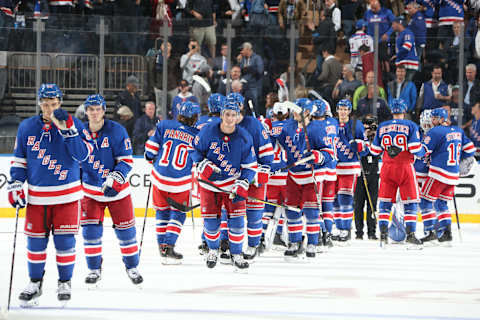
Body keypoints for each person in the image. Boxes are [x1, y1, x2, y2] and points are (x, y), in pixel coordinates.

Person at [8, 84, 91, 306]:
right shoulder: (26, 127)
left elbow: (82, 156)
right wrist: (15, 183)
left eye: (53, 104)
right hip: (37, 198)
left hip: (67, 197)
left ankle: (65, 282)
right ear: (39, 104)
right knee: (35, 243)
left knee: (65, 243)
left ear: (60, 103)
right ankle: (35, 283)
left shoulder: (76, 124)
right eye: (45, 104)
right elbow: (20, 160)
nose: (49, 109)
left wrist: (67, 129)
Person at [79, 94, 143, 287]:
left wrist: (114, 179)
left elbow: (126, 160)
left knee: (126, 232)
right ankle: (93, 269)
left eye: (98, 109)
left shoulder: (117, 130)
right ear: (86, 111)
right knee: (90, 232)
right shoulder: (79, 132)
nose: (94, 113)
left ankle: (132, 267)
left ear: (104, 110)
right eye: (91, 109)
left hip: (118, 192)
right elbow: (74, 160)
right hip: (90, 192)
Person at [191, 99, 257, 271]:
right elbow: (194, 150)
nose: (229, 118)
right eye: (227, 114)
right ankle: (213, 249)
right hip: (210, 185)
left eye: (233, 115)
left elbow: (250, 168)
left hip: (233, 186)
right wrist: (201, 164)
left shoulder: (244, 137)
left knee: (236, 223)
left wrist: (243, 182)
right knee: (211, 224)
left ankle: (236, 254)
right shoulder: (207, 132)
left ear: (237, 117)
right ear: (221, 115)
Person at [270, 98, 335, 259]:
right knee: (291, 210)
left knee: (312, 212)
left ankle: (313, 242)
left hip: (311, 177)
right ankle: (294, 242)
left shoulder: (317, 129)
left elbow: (329, 153)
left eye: (296, 110)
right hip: (293, 175)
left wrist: (317, 155)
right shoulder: (288, 127)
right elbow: (274, 141)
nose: (293, 113)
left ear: (306, 112)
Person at [145, 101, 200, 264]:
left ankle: (161, 247)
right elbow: (198, 161)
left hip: (159, 178)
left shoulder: (164, 125)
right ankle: (168, 245)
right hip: (180, 182)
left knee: (161, 211)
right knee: (178, 213)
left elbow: (149, 152)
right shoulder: (197, 135)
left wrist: (151, 160)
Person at [369, 98, 425, 248]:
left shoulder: (382, 126)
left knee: (385, 203)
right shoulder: (411, 125)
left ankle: (383, 234)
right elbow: (414, 148)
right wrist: (424, 149)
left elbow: (374, 151)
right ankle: (411, 235)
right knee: (410, 203)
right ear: (404, 110)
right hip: (405, 167)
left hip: (387, 167)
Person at [419, 108, 475, 245]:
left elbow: (422, 152)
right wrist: (457, 160)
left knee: (425, 201)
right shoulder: (458, 131)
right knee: (441, 203)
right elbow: (470, 149)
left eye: (433, 118)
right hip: (453, 175)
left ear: (439, 119)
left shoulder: (435, 131)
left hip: (438, 173)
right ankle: (447, 233)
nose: (432, 121)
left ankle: (430, 232)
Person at [229, 93, 274, 260]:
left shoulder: (254, 124)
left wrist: (263, 169)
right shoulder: (223, 126)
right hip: (234, 178)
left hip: (253, 177)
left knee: (254, 215)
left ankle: (254, 245)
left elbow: (267, 152)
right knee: (235, 215)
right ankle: (233, 247)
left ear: (241, 107)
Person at [334, 99, 369, 243]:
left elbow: (366, 148)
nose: (343, 112)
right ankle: (338, 228)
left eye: (345, 109)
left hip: (349, 167)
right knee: (334, 200)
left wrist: (359, 146)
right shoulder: (332, 124)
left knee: (345, 198)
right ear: (337, 110)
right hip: (333, 167)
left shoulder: (356, 124)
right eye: (340, 109)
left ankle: (346, 229)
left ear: (349, 111)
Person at [261, 102, 289, 249]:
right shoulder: (290, 126)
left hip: (271, 175)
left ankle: (260, 237)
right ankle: (278, 234)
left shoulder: (267, 127)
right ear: (286, 114)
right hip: (286, 175)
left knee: (267, 209)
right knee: (285, 207)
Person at [311, 99, 338, 249]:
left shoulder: (312, 127)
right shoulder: (333, 123)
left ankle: (320, 234)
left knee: (316, 204)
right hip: (332, 169)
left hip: (319, 169)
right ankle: (328, 233)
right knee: (328, 204)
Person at [353, 114, 379, 240]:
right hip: (360, 173)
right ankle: (358, 232)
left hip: (374, 174)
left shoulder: (378, 137)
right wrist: (364, 135)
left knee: (372, 205)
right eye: (367, 126)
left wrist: (374, 134)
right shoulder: (359, 136)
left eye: (372, 125)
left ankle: (372, 232)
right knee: (358, 205)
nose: (369, 129)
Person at [236, 42, 264, 113]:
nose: (241, 52)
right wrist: (238, 62)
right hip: (243, 86)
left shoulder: (257, 58)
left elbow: (260, 71)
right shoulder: (242, 59)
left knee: (254, 105)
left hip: (254, 85)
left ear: (248, 49)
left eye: (242, 50)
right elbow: (238, 71)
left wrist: (248, 68)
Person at [391, 16, 419, 81]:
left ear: (399, 23)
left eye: (393, 24)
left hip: (408, 62)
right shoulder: (400, 34)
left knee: (406, 85)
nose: (392, 26)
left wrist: (397, 55)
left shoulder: (407, 32)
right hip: (404, 62)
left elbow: (407, 46)